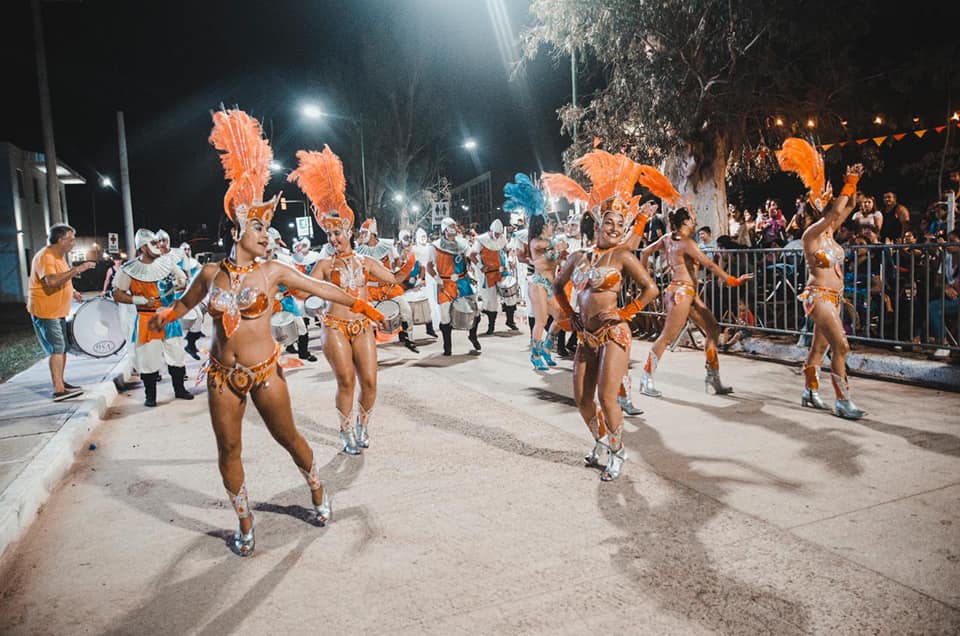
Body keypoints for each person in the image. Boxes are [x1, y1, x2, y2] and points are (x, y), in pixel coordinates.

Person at [151, 110, 383, 556]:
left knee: (290, 438)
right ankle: (243, 519)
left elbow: (321, 286)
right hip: (222, 376)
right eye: (258, 226)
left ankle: (316, 487)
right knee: (229, 449)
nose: (266, 233)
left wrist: (364, 303)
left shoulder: (274, 271)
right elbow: (187, 303)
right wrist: (168, 314)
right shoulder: (210, 273)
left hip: (265, 372)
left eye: (266, 226)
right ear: (236, 228)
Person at [542, 150, 663, 480]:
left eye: (619, 224)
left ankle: (617, 450)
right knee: (582, 399)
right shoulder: (580, 257)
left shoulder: (622, 255)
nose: (613, 228)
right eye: (608, 222)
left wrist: (626, 311)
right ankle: (600, 442)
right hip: (585, 334)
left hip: (614, 333)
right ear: (597, 223)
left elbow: (650, 289)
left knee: (607, 397)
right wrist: (572, 318)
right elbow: (557, 286)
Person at [289, 145, 401, 454]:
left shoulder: (365, 263)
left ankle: (363, 423)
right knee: (347, 382)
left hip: (363, 325)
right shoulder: (324, 265)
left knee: (371, 382)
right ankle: (346, 431)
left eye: (338, 233)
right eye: (329, 235)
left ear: (349, 232)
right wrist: (287, 281)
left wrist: (405, 259)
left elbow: (394, 279)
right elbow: (302, 291)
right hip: (335, 326)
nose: (334, 239)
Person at [777, 137, 866, 418]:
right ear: (818, 207)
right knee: (842, 346)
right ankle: (842, 400)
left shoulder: (830, 231)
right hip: (818, 297)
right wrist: (848, 183)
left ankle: (810, 392)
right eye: (825, 201)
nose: (831, 203)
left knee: (819, 348)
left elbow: (848, 206)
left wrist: (854, 182)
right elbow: (838, 209)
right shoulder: (811, 234)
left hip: (834, 298)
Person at [639, 208, 753, 396]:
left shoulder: (667, 238)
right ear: (685, 223)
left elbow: (645, 251)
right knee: (667, 337)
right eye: (692, 219)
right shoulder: (687, 243)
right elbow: (709, 264)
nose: (694, 222)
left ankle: (712, 375)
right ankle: (646, 377)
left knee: (713, 329)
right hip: (682, 293)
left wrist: (644, 280)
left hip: (686, 293)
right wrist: (732, 280)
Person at [112, 229, 194, 407]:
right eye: (154, 243)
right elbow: (117, 294)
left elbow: (182, 280)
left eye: (158, 242)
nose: (158, 246)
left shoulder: (167, 263)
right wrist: (139, 300)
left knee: (176, 354)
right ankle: (151, 396)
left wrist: (179, 284)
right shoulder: (129, 269)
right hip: (147, 318)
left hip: (169, 316)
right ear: (143, 247)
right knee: (148, 359)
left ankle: (179, 389)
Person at [26, 223, 95, 401]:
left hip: (57, 310)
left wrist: (72, 292)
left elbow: (62, 277)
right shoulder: (46, 257)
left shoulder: (59, 256)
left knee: (62, 347)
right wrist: (78, 269)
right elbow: (51, 281)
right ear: (60, 239)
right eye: (71, 239)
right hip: (46, 311)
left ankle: (61, 383)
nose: (73, 243)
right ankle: (58, 389)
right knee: (57, 348)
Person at [503, 174, 564, 370]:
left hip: (550, 285)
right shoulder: (536, 243)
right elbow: (550, 248)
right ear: (541, 226)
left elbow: (559, 255)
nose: (551, 227)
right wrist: (558, 245)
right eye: (548, 224)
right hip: (538, 284)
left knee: (561, 317)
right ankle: (535, 355)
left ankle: (546, 347)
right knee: (542, 320)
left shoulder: (548, 242)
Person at [356, 219, 419, 353]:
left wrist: (396, 267)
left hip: (388, 285)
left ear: (372, 232)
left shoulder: (387, 245)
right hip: (370, 290)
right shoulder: (358, 250)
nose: (361, 235)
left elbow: (396, 260)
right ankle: (370, 349)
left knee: (406, 311)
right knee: (368, 320)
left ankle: (408, 338)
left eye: (364, 232)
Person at [426, 217, 481, 355]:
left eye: (455, 226)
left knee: (475, 311)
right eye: (451, 227)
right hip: (445, 284)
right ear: (445, 229)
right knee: (445, 317)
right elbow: (429, 266)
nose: (454, 229)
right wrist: (437, 278)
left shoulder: (462, 244)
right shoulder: (435, 246)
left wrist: (477, 265)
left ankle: (473, 335)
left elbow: (471, 256)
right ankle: (447, 347)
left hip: (463, 282)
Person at [470, 218, 518, 334]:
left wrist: (510, 259)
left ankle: (510, 321)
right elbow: (472, 255)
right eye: (496, 233)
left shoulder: (502, 238)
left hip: (502, 271)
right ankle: (491, 326)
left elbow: (507, 250)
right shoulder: (481, 240)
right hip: (488, 274)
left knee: (510, 296)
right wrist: (481, 266)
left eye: (499, 233)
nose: (498, 235)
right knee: (492, 302)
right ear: (491, 231)